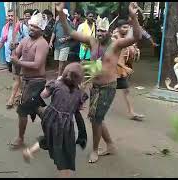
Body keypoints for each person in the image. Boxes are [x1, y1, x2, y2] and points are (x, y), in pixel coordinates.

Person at [56, 2, 142, 163]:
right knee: (96, 118)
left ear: (109, 31)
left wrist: (133, 17)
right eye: (99, 30)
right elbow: (70, 31)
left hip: (108, 87)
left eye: (104, 30)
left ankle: (95, 150)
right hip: (95, 86)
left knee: (96, 119)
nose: (101, 33)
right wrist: (61, 13)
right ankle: (110, 145)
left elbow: (136, 37)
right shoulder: (92, 41)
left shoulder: (116, 45)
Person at [22, 62, 88, 178]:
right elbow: (79, 108)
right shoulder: (79, 94)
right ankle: (64, 173)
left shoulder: (56, 84)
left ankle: (29, 151)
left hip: (49, 118)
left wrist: (55, 83)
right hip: (64, 125)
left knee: (50, 138)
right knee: (65, 151)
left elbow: (43, 95)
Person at [9, 12, 49, 149]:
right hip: (26, 81)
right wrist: (13, 51)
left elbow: (37, 65)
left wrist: (18, 62)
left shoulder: (42, 44)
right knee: (37, 109)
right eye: (31, 26)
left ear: (41, 29)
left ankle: (20, 138)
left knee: (22, 109)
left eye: (35, 27)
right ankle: (53, 130)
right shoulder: (25, 40)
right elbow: (16, 54)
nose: (32, 28)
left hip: (36, 82)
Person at [112, 19, 144, 121]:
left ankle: (131, 112)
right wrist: (125, 67)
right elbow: (111, 59)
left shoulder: (125, 39)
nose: (126, 29)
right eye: (124, 27)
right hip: (112, 70)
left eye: (127, 27)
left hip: (120, 71)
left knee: (126, 90)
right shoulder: (114, 40)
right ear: (118, 28)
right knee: (103, 91)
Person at [0, 9, 21, 108]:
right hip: (9, 57)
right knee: (15, 76)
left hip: (18, 57)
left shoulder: (21, 27)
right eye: (8, 16)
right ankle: (20, 93)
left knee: (16, 77)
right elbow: (1, 41)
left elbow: (28, 40)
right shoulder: (5, 28)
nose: (10, 18)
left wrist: (17, 44)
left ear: (16, 16)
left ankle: (12, 98)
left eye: (12, 16)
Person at [49, 9, 72, 78]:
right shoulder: (57, 23)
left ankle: (59, 76)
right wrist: (50, 42)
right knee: (58, 60)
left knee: (61, 60)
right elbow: (54, 32)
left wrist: (65, 39)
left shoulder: (69, 23)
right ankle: (64, 71)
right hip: (57, 45)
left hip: (65, 45)